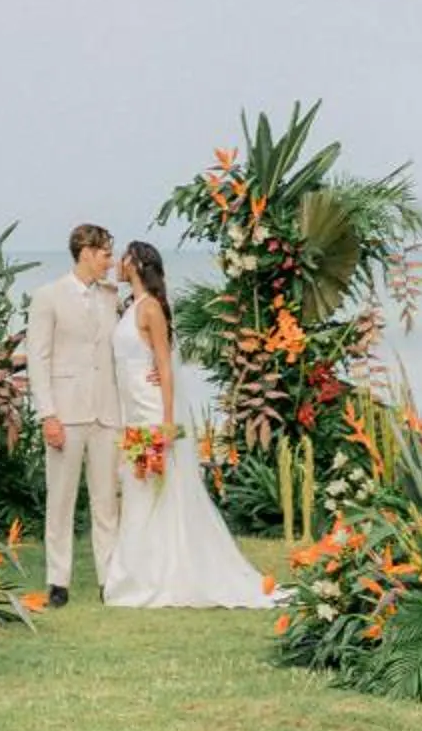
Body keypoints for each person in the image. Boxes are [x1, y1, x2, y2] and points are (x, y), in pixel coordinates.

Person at [102, 239, 270, 610]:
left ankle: (159, 573)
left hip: (150, 409)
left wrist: (165, 420)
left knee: (155, 485)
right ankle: (138, 570)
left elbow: (162, 364)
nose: (117, 261)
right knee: (137, 487)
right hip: (130, 408)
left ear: (137, 263)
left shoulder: (151, 310)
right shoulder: (129, 306)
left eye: (123, 256)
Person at [24, 221, 121, 605]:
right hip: (65, 413)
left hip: (107, 412)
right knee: (61, 500)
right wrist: (48, 413)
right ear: (85, 253)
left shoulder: (112, 295)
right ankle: (58, 582)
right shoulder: (48, 296)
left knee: (106, 501)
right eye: (106, 254)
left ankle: (109, 579)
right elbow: (38, 359)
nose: (111, 262)